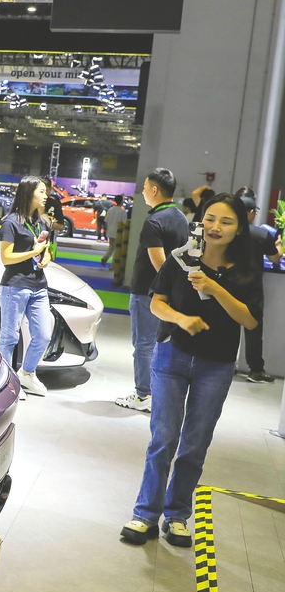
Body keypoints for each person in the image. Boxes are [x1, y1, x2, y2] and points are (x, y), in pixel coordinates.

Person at [121, 194, 262, 548]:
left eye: (226, 222)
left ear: (239, 228)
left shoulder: (245, 269)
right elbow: (157, 303)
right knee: (163, 438)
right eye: (210, 218)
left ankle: (177, 515)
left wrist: (215, 289)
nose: (216, 227)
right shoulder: (181, 258)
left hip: (216, 366)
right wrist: (181, 319)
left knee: (195, 443)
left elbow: (250, 320)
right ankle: (144, 515)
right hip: (172, 357)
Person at [116, 168, 189, 413]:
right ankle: (154, 392)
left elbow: (160, 265)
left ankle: (143, 394)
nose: (143, 191)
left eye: (145, 187)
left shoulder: (154, 221)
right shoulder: (180, 218)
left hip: (147, 292)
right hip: (170, 293)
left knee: (144, 345)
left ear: (155, 190)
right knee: (159, 344)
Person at [0, 176, 53, 397]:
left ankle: (27, 374)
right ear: (29, 193)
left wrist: (46, 257)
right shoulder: (10, 223)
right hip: (15, 286)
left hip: (39, 286)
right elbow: (6, 257)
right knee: (9, 337)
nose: (46, 196)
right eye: (42, 191)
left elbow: (45, 249)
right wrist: (33, 253)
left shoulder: (42, 222)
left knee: (44, 335)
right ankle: (5, 383)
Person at [235, 188, 283, 383]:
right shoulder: (262, 235)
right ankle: (255, 370)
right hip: (251, 288)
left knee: (225, 325)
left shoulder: (228, 233)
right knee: (253, 329)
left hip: (228, 286)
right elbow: (275, 258)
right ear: (251, 213)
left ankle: (223, 363)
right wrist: (279, 245)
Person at [101, 195, 128, 267]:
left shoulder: (110, 210)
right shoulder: (123, 211)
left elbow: (106, 221)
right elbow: (124, 223)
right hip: (118, 233)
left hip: (110, 231)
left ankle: (105, 257)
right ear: (121, 201)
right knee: (117, 249)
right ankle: (113, 264)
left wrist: (106, 229)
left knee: (111, 246)